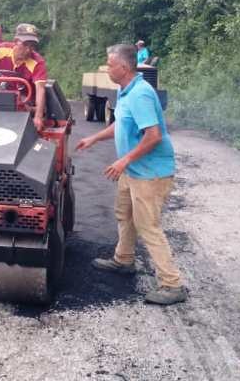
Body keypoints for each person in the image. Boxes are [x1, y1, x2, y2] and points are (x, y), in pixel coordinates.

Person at [76, 43, 186, 305]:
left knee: (148, 226)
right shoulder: (125, 90)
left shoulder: (141, 95)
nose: (107, 68)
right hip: (134, 170)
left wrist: (124, 160)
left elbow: (154, 136)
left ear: (124, 67)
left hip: (150, 172)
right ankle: (124, 260)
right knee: (124, 214)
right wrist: (94, 138)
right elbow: (120, 124)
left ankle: (172, 285)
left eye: (110, 64)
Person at [0, 23, 47, 133]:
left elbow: (40, 89)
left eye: (32, 46)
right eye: (25, 44)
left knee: (19, 104)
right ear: (16, 41)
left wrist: (38, 116)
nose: (28, 49)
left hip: (25, 100)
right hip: (3, 94)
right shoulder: (0, 50)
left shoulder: (37, 62)